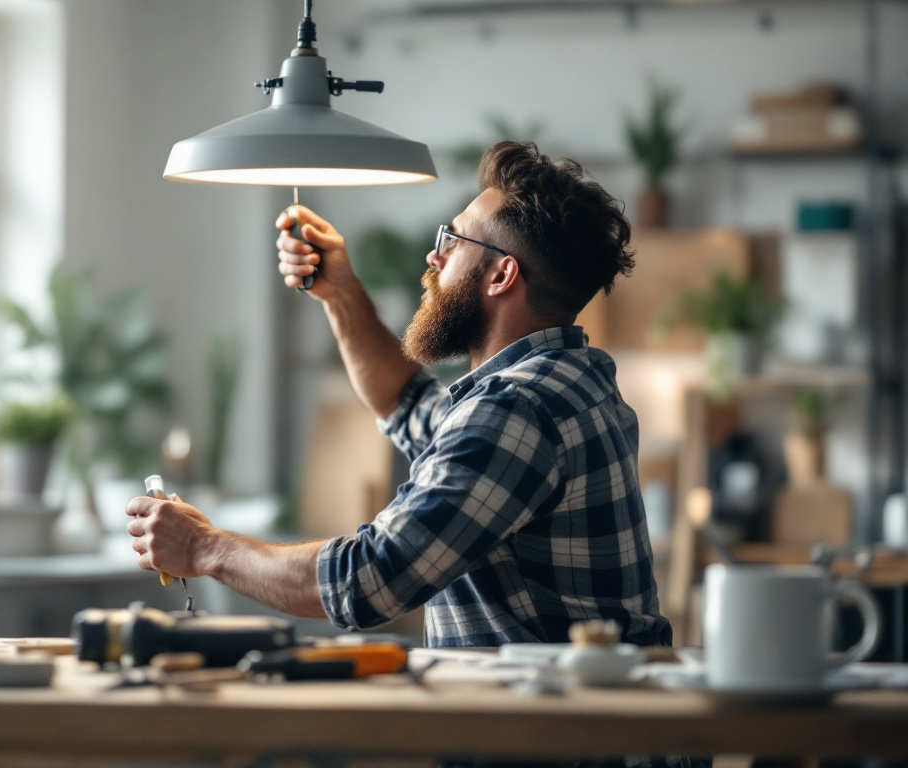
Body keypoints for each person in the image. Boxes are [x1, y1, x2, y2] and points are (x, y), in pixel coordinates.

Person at [126, 140, 671, 649]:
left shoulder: (517, 410)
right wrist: (340, 293)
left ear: (502, 275)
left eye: (453, 241)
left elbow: (366, 582)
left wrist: (203, 547)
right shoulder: (565, 379)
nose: (433, 259)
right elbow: (406, 401)